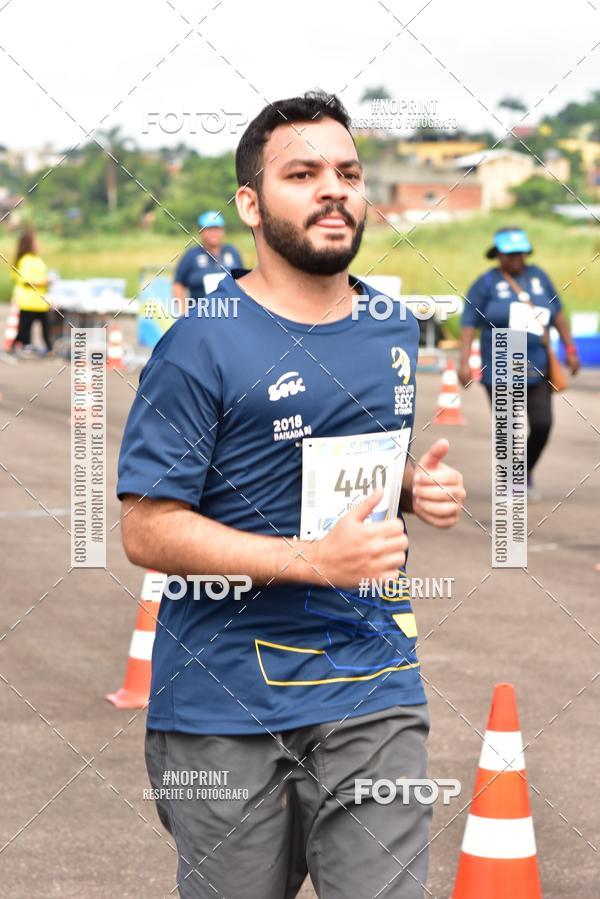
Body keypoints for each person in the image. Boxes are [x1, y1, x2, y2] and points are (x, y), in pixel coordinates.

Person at [118, 90, 465, 899]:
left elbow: (342, 464)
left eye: (347, 171)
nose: (332, 188)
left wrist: (416, 486)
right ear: (250, 202)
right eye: (302, 172)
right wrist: (312, 559)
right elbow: (148, 527)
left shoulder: (390, 324)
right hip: (222, 701)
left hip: (372, 683)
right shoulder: (197, 343)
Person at [459, 226, 580, 499]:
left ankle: (523, 473)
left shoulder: (539, 278)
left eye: (520, 253)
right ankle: (512, 481)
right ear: (498, 255)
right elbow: (468, 324)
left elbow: (557, 314)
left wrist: (570, 348)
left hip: (538, 367)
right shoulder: (486, 283)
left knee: (542, 425)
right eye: (510, 254)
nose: (516, 258)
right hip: (500, 367)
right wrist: (464, 361)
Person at [173, 210, 243, 307]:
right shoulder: (191, 255)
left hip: (231, 312)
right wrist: (183, 312)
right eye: (209, 229)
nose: (214, 233)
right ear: (201, 231)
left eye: (217, 229)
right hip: (200, 313)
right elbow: (178, 284)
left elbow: (242, 282)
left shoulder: (232, 252)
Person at [10, 228, 53, 355]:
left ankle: (49, 349)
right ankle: (18, 347)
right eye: (36, 242)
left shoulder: (37, 259)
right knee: (24, 328)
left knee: (46, 327)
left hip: (41, 301)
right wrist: (44, 282)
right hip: (28, 301)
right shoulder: (25, 260)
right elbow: (26, 280)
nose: (38, 245)